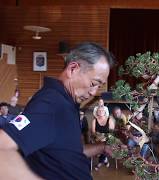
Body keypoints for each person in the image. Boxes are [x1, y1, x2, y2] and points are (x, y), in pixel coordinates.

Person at [0, 42, 116, 179]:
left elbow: (66, 153)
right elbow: (2, 147)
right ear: (73, 69)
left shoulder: (67, 102)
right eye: (93, 84)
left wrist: (102, 147)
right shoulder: (51, 103)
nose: (93, 92)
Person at [91, 106, 115, 170]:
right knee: (101, 145)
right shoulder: (94, 120)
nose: (101, 112)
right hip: (97, 138)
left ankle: (100, 163)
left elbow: (111, 132)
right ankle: (105, 159)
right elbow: (93, 132)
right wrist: (98, 137)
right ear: (97, 112)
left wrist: (105, 137)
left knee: (105, 145)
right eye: (99, 111)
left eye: (102, 110)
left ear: (105, 112)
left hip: (108, 138)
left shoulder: (110, 120)